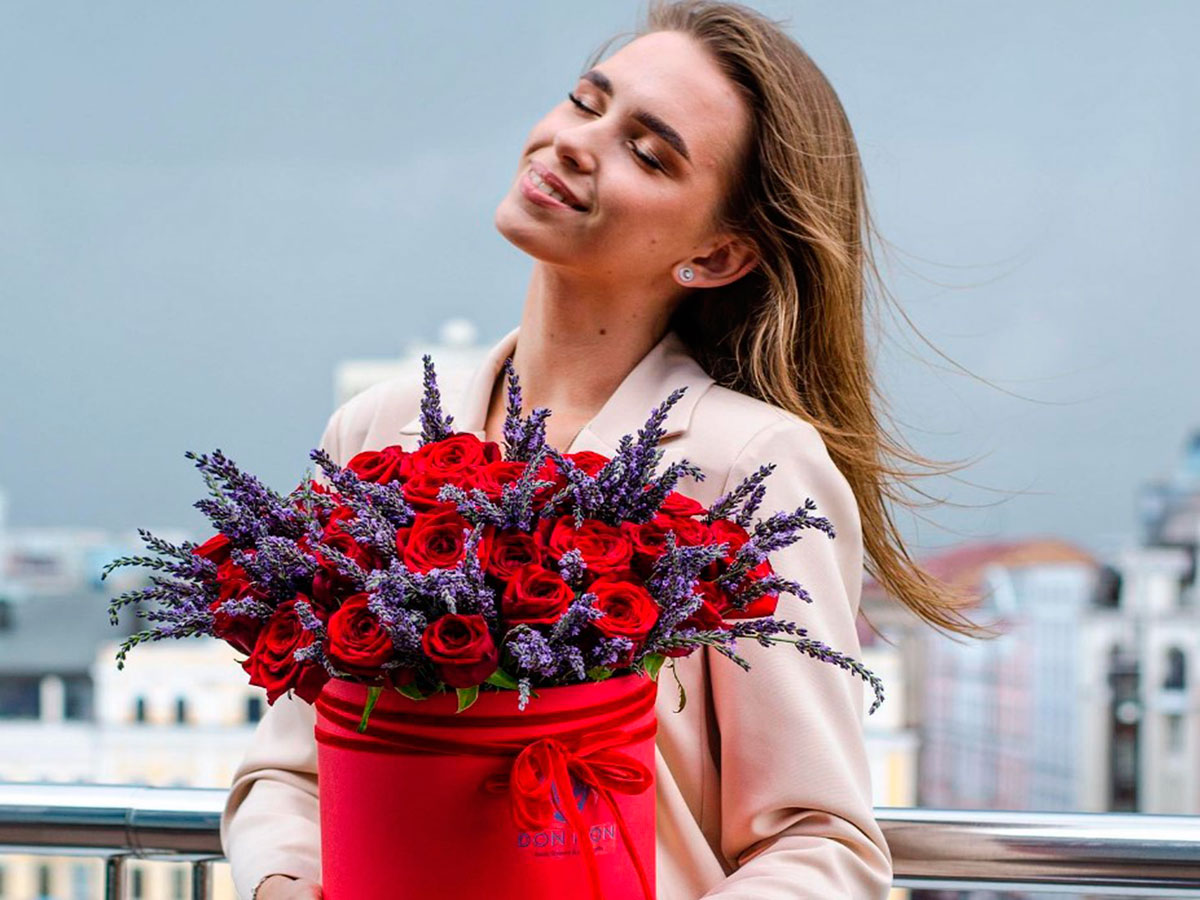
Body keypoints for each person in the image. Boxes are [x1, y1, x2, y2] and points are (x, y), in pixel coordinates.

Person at [221, 1, 989, 897]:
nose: (577, 142)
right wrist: (284, 883)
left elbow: (822, 843)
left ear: (718, 254)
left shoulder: (753, 468)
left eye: (648, 152)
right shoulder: (371, 432)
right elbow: (291, 770)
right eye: (586, 103)